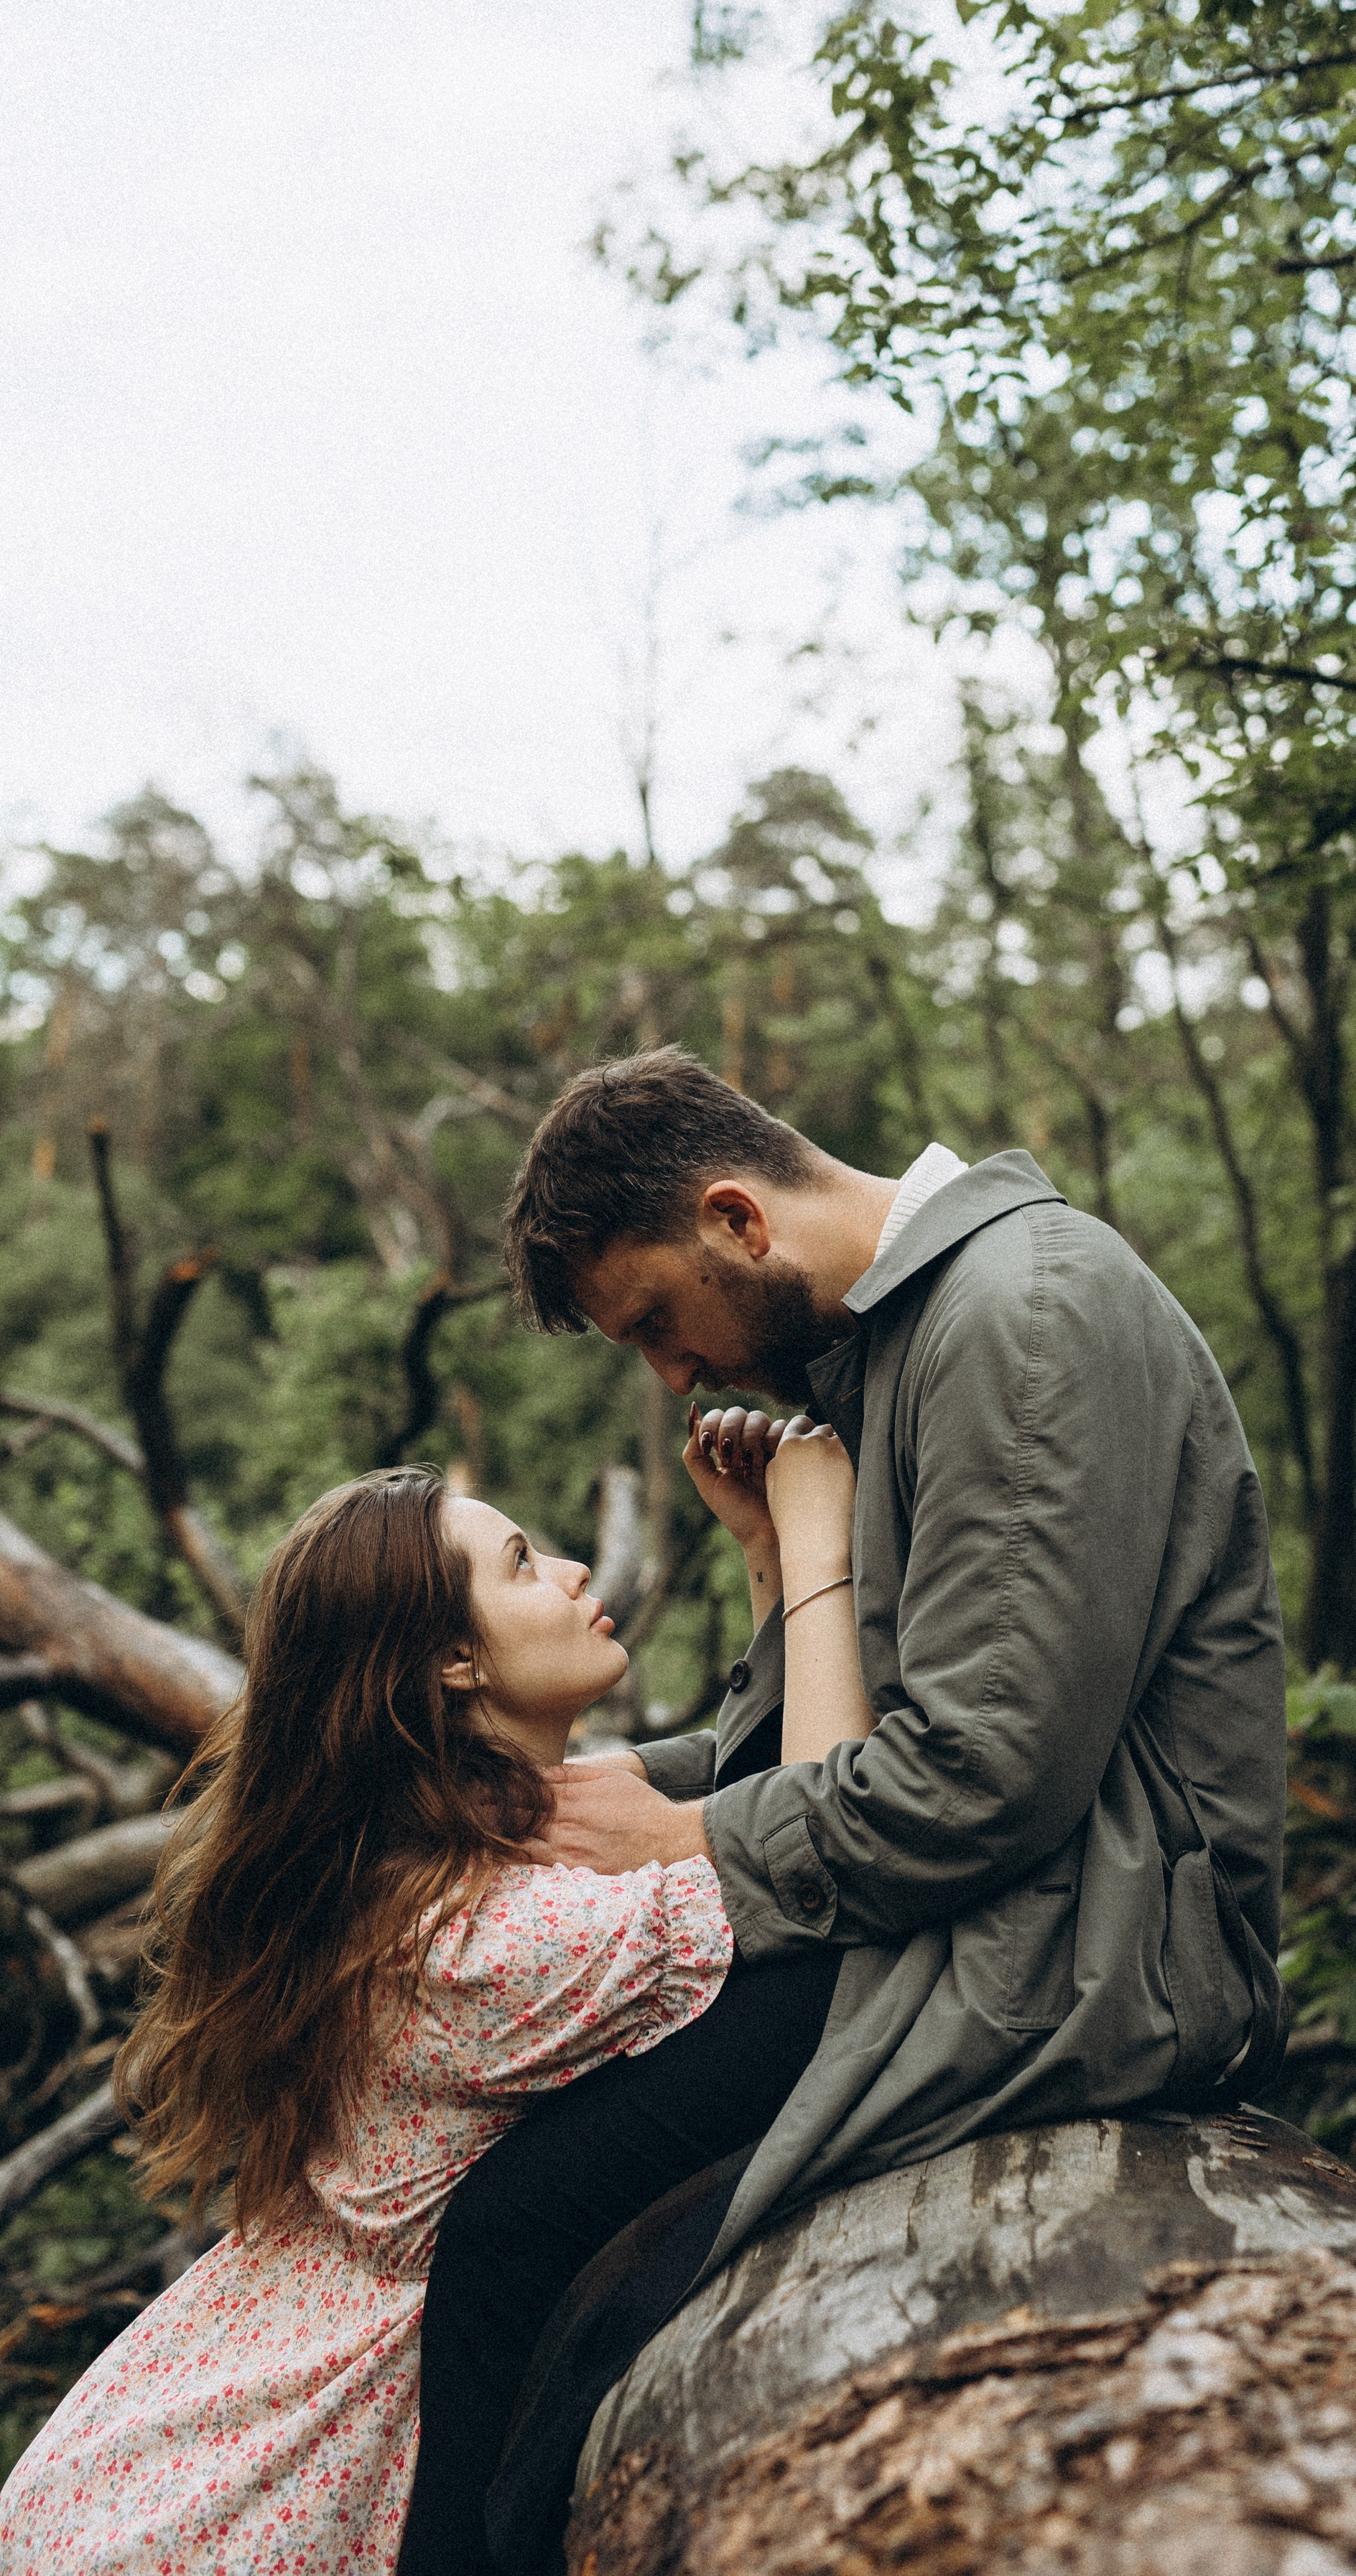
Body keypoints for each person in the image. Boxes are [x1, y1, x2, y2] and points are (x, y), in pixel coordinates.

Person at [401, 1046, 1290, 2576]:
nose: (671, 1375)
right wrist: (639, 1784)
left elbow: (978, 1784)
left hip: (1080, 1953)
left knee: (544, 2282)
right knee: (509, 2216)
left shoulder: (1017, 1318)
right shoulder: (899, 1346)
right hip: (989, 1915)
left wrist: (687, 1838)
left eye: (656, 1326)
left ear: (736, 1218)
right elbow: (859, 1718)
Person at [0, 1431, 866, 2574]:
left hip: (205, 2393)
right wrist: (816, 1542)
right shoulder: (477, 1941)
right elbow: (830, 1856)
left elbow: (765, 1811)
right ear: (456, 1662)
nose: (567, 1572)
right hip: (260, 2475)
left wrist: (758, 1557)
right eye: (520, 1563)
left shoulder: (470, 1840)